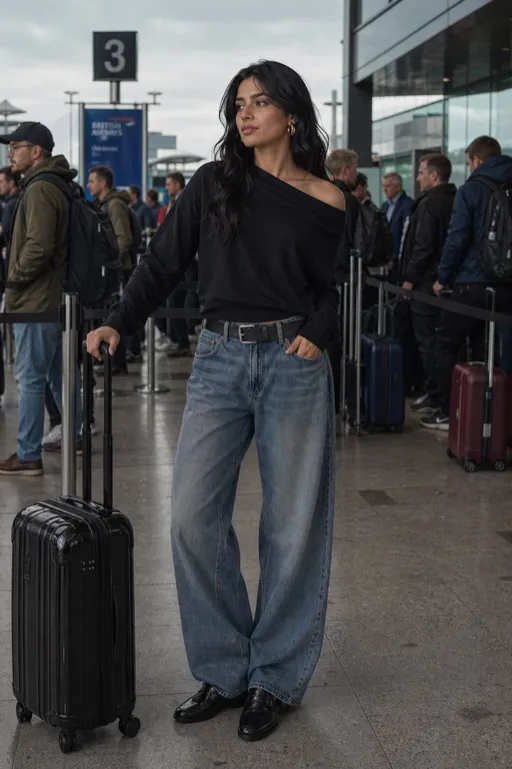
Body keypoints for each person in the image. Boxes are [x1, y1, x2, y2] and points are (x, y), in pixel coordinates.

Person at [87, 59, 345, 741]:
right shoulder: (212, 184)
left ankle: (274, 677)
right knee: (191, 519)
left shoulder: (324, 197)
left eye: (260, 102)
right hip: (220, 357)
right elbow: (161, 262)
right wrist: (121, 317)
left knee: (291, 528)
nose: (246, 114)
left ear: (290, 113)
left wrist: (318, 334)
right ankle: (225, 667)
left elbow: (331, 287)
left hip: (293, 361)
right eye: (238, 104)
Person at [0, 122, 81, 475]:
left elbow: (40, 245)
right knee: (55, 372)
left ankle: (28, 453)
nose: (9, 153)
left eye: (16, 146)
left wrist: (14, 279)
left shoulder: (40, 189)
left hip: (35, 299)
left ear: (36, 152)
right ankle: (74, 435)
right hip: (50, 297)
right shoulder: (54, 184)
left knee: (30, 377)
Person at [422, 136, 512, 430]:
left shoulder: (471, 189)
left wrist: (442, 278)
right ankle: (494, 418)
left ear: (476, 161)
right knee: (494, 352)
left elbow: (457, 238)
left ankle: (449, 411)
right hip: (507, 286)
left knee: (447, 343)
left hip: (472, 283)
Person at [399, 153, 456, 416]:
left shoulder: (430, 204)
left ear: (434, 176)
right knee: (439, 342)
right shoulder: (453, 199)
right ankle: (434, 393)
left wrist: (409, 279)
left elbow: (424, 246)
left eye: (422, 172)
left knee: (429, 344)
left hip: (425, 285)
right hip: (443, 283)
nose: (418, 177)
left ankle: (437, 398)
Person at [87, 166, 134, 373]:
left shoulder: (114, 205)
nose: (89, 185)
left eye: (91, 181)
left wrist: (111, 263)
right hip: (110, 271)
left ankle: (116, 363)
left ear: (102, 183)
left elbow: (124, 238)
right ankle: (109, 361)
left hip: (117, 271)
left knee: (114, 316)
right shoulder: (104, 204)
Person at [381, 172, 414, 266]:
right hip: (385, 259)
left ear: (398, 187)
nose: (385, 190)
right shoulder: (384, 206)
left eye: (388, 186)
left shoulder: (408, 205)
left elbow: (406, 235)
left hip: (400, 260)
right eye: (384, 186)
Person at [0, 166, 21, 258]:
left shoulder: (11, 204)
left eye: (1, 182)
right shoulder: (20, 198)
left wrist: (8, 250)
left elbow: (6, 230)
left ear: (11, 183)